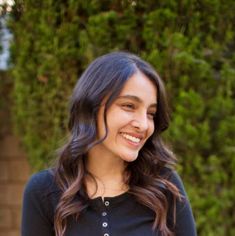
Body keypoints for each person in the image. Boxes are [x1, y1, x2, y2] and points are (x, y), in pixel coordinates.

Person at [21, 51, 197, 236]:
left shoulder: (165, 185)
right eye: (129, 106)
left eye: (150, 113)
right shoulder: (43, 191)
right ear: (92, 106)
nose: (143, 124)